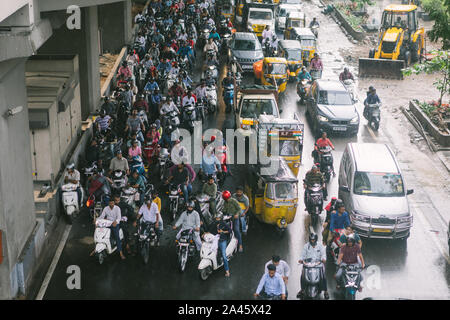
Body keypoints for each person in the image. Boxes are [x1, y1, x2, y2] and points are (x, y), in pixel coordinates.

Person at [297, 234, 329, 299]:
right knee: (302, 276)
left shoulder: (320, 246)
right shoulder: (306, 246)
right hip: (308, 264)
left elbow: (323, 254)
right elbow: (302, 254)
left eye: (313, 239)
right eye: (311, 240)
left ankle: (325, 291)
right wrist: (301, 259)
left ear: (316, 239)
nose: (312, 241)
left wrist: (323, 259)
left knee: (323, 277)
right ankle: (302, 289)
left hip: (318, 264)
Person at [207, 212, 232, 277]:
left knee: (224, 255)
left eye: (218, 218)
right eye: (216, 218)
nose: (217, 219)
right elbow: (209, 231)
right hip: (214, 240)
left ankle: (227, 271)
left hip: (222, 240)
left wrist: (223, 232)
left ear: (221, 218)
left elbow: (230, 230)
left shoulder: (223, 223)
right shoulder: (213, 224)